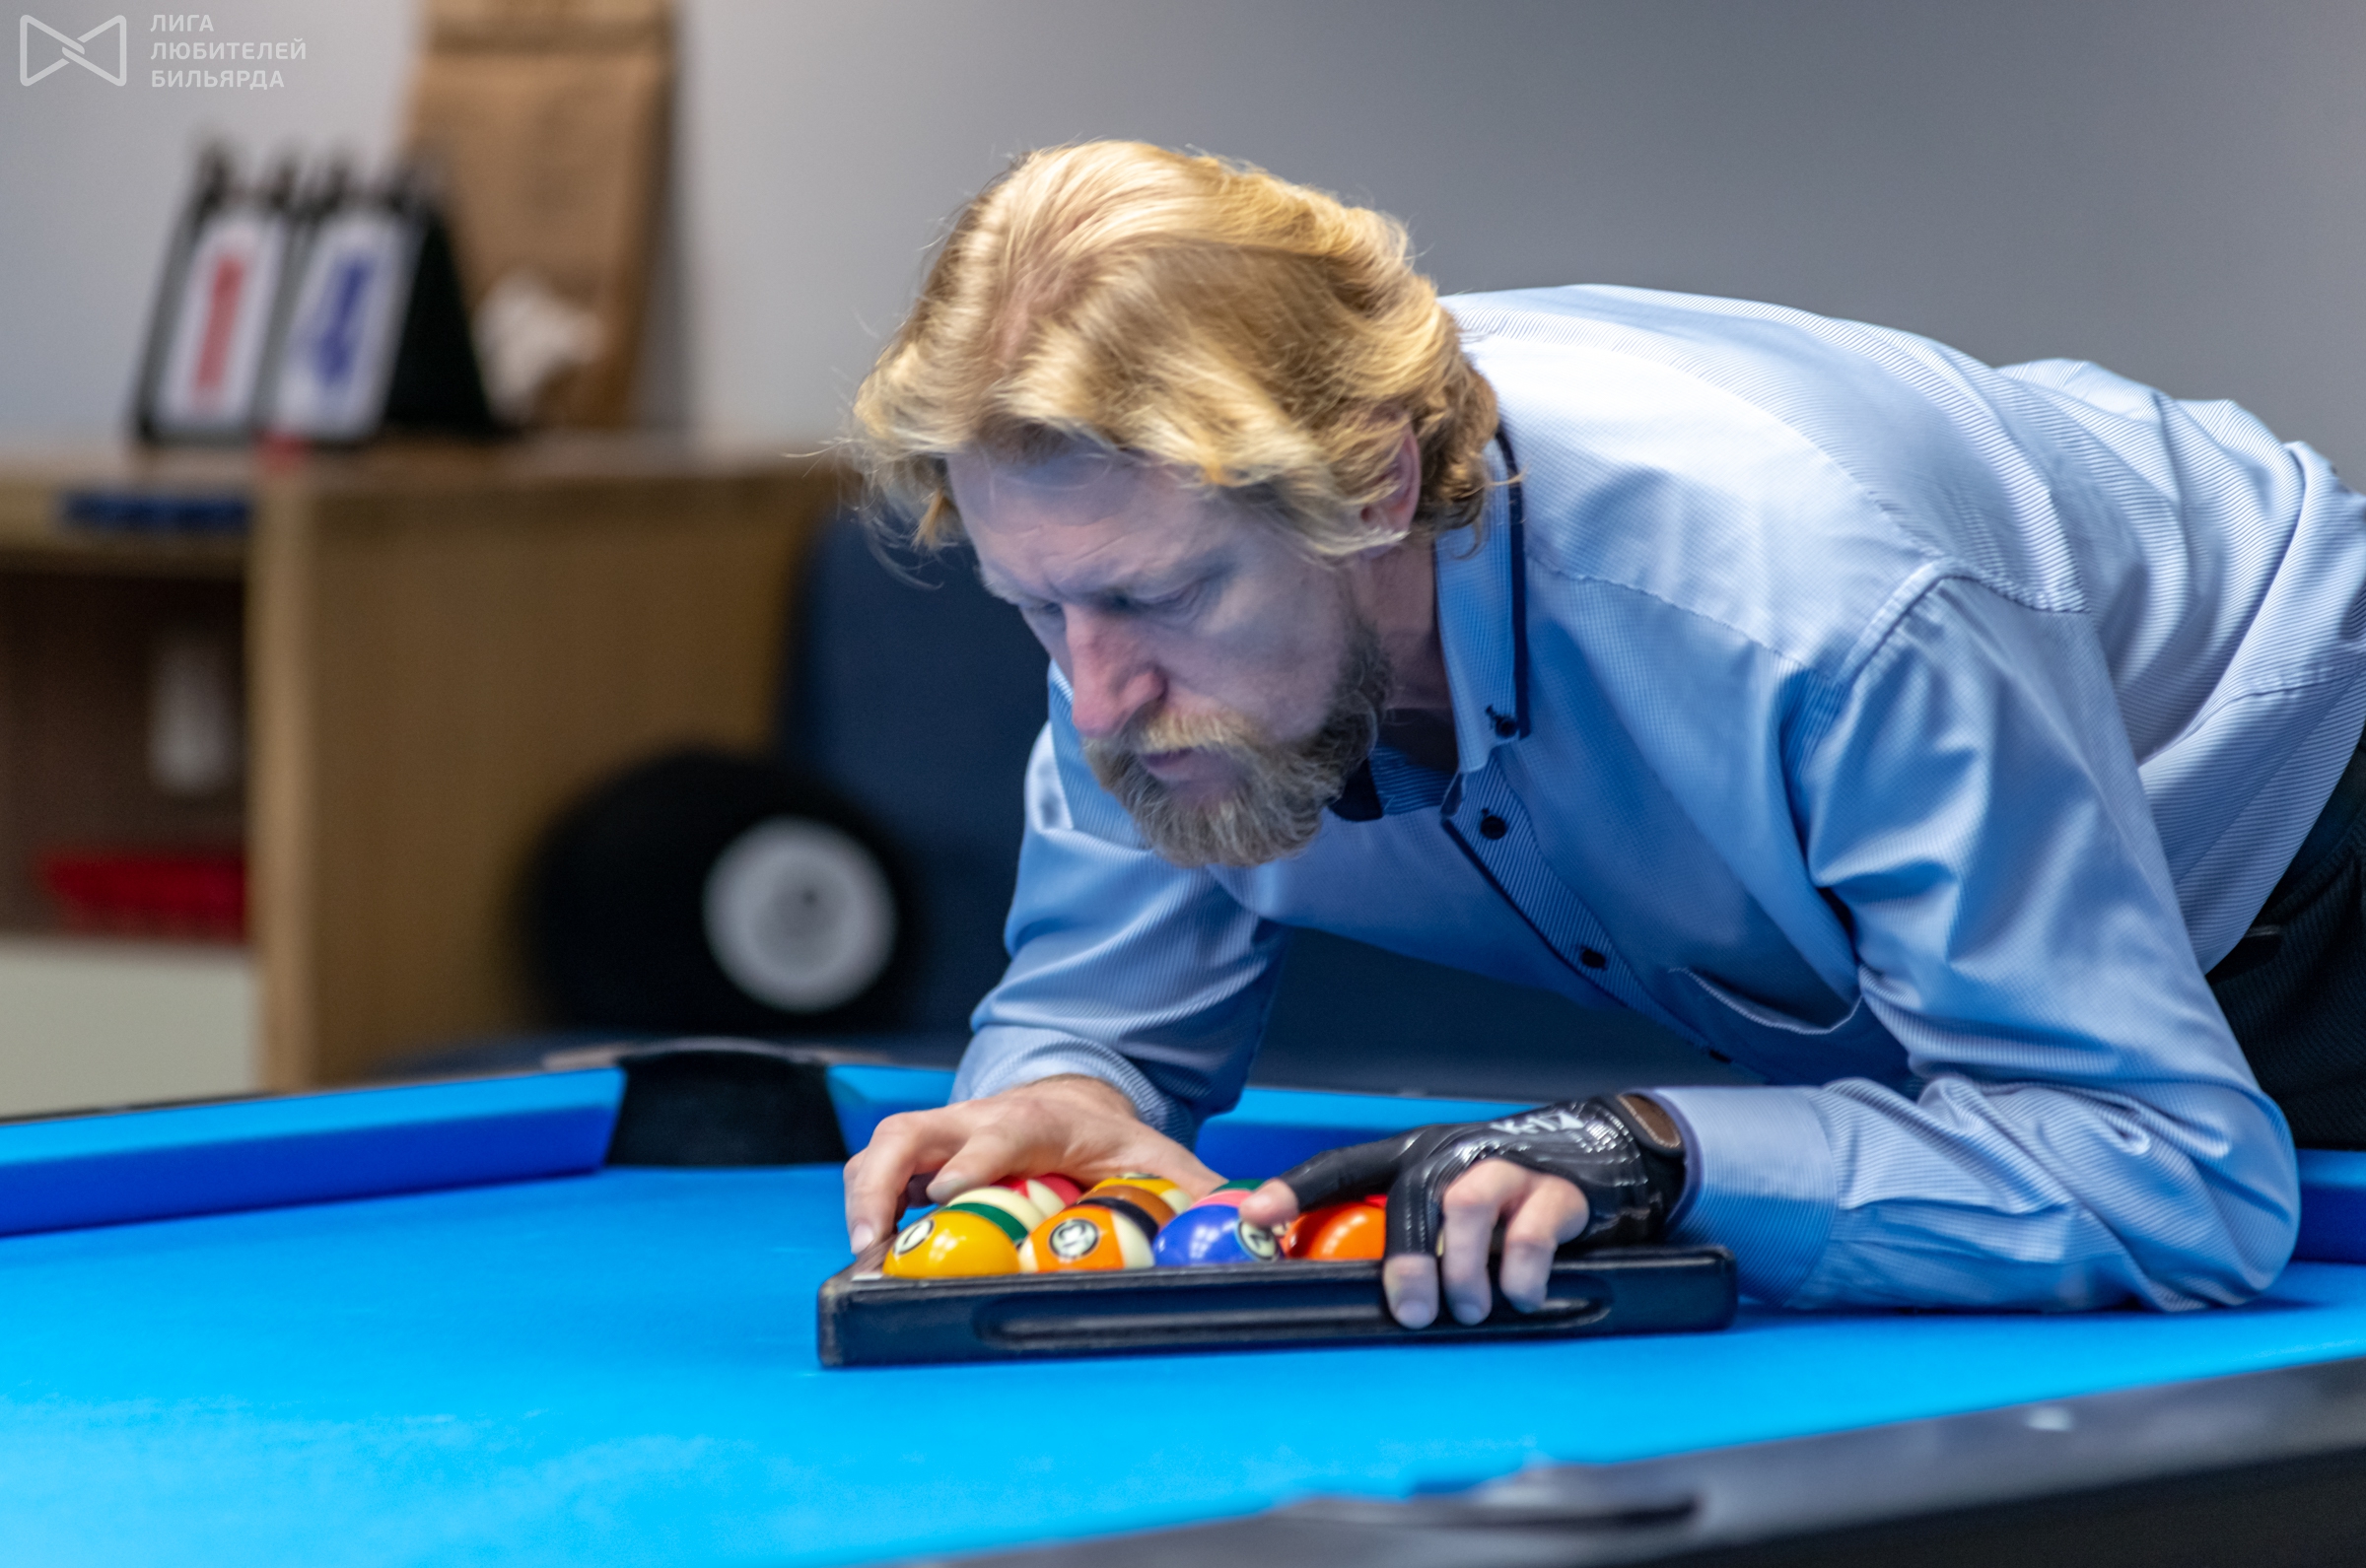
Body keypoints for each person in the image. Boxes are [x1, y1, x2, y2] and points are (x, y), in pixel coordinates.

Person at [841, 140, 2366, 1326]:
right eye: (1036, 609)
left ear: (1374, 490)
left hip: (2308, 852)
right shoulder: (1137, 639)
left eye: (1158, 598)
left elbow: (2182, 1185)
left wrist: (1658, 1149)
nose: (1095, 697)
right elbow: (1097, 1029)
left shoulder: (1813, 603)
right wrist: (1068, 1096)